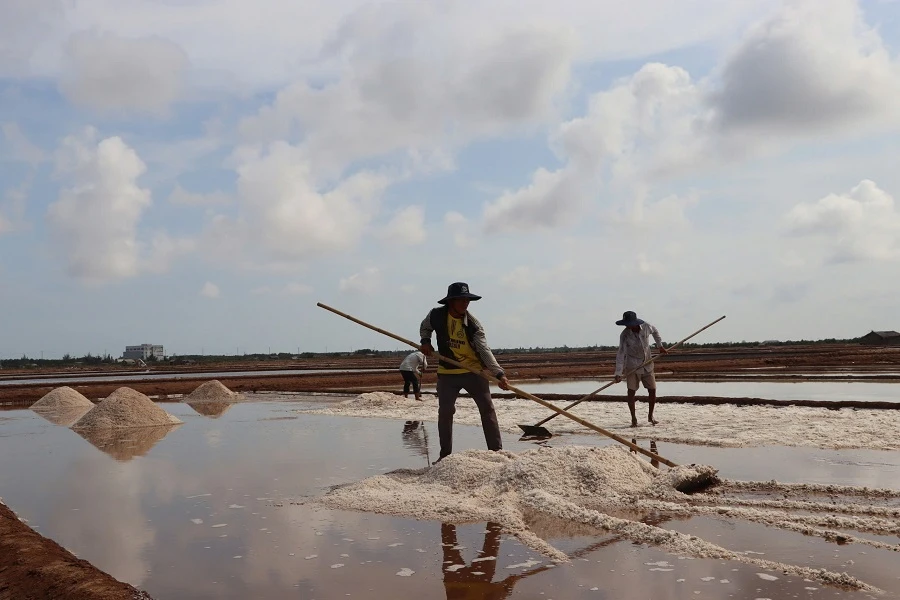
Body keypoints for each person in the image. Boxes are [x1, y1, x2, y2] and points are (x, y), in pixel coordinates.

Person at [420, 282, 510, 464]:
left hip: (473, 371)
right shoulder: (436, 315)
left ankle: (496, 453)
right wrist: (425, 341)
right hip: (447, 372)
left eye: (467, 300)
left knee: (487, 409)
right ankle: (445, 456)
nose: (465, 303)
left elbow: (484, 350)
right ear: (450, 302)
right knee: (445, 411)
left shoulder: (473, 325)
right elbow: (425, 327)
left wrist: (499, 374)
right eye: (461, 300)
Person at [613, 310, 668, 427]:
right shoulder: (624, 335)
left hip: (647, 363)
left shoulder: (647, 327)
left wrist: (660, 346)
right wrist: (618, 373)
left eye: (629, 324)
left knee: (652, 389)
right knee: (631, 392)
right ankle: (633, 419)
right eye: (626, 324)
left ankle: (650, 416)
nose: (628, 326)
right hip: (632, 365)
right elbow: (621, 353)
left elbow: (655, 332)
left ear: (635, 322)